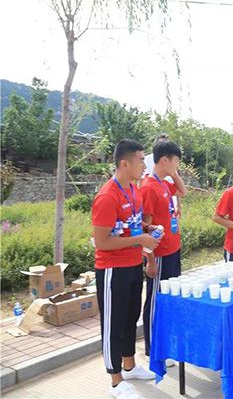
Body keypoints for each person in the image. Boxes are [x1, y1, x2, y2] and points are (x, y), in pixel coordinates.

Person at [92, 139, 161, 399]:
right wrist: (139, 240)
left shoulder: (133, 189)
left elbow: (130, 225)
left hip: (133, 264)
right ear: (124, 163)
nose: (144, 165)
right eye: (141, 160)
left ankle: (129, 366)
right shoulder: (107, 196)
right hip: (113, 269)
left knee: (131, 317)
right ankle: (115, 380)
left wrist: (147, 230)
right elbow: (102, 242)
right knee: (113, 323)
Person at [140, 141, 187, 363]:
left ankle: (166, 346)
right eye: (176, 161)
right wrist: (150, 260)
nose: (178, 166)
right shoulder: (149, 187)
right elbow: (145, 227)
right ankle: (153, 351)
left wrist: (173, 173)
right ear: (164, 160)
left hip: (172, 250)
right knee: (155, 301)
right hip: (158, 254)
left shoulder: (163, 184)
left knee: (169, 299)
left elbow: (183, 191)